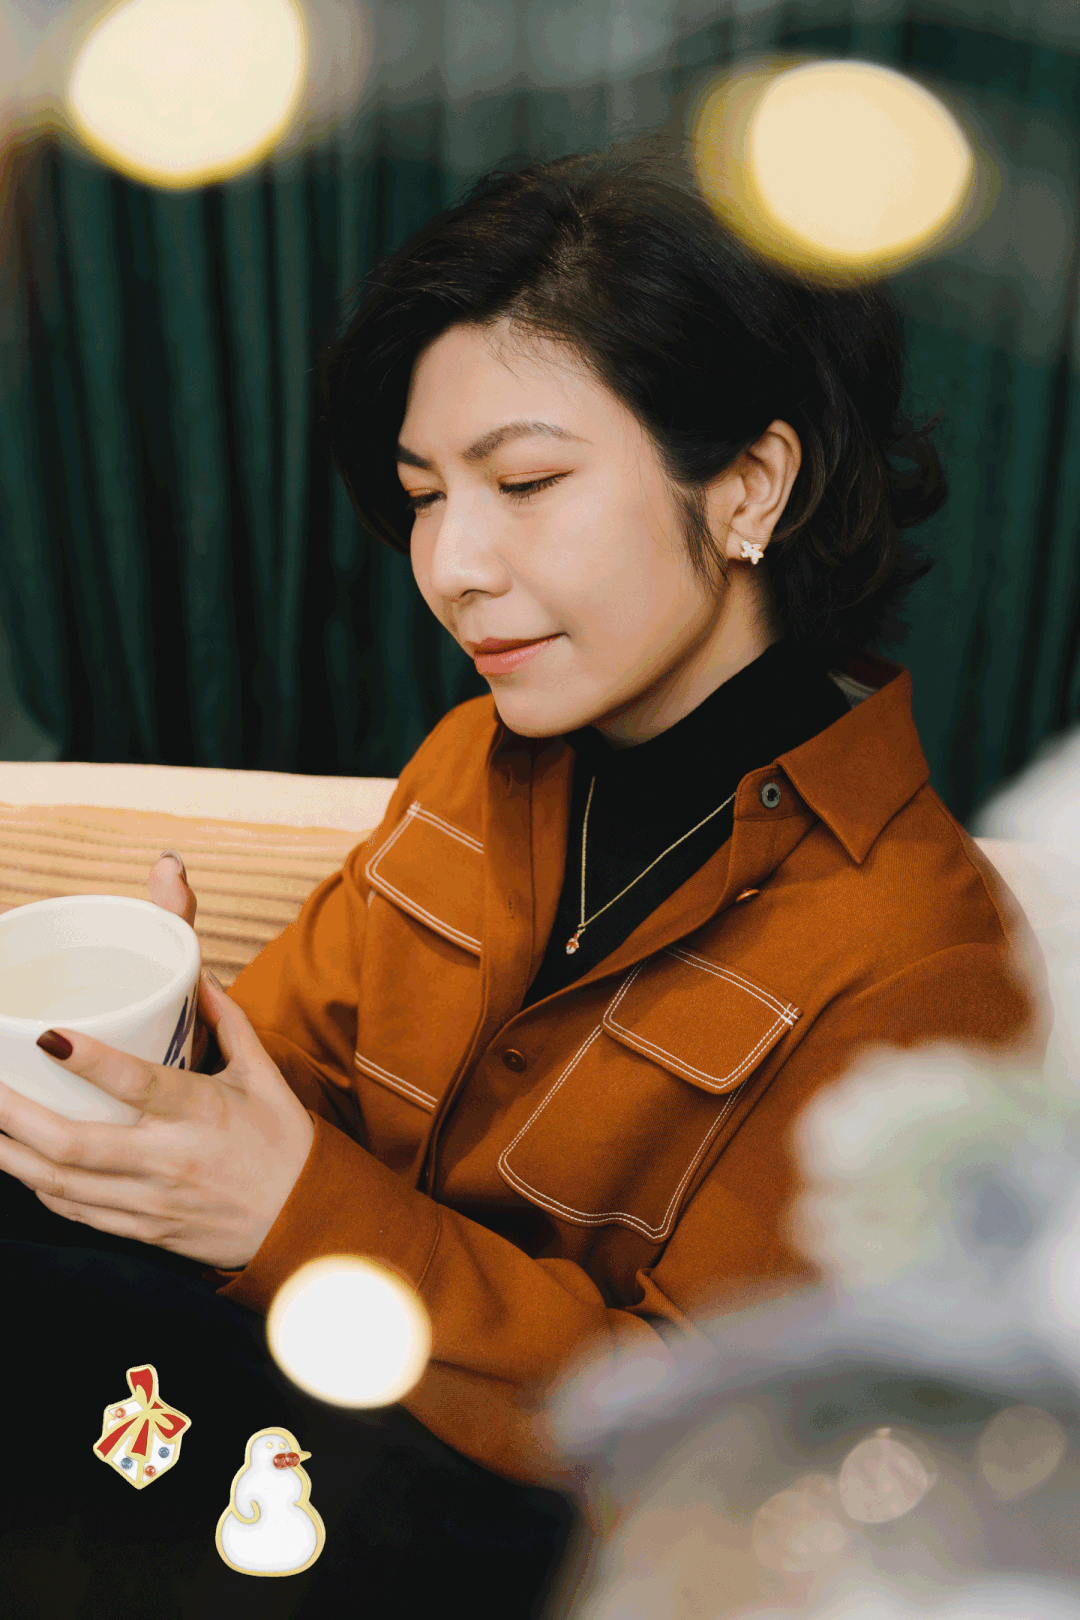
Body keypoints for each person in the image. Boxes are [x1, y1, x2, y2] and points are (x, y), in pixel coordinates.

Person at [0, 137, 1043, 1613]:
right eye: (426, 494)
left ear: (749, 485)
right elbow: (288, 1078)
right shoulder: (468, 764)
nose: (452, 565)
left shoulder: (922, 959)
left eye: (527, 480)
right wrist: (166, 1034)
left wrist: (288, 1211)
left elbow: (717, 1454)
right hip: (270, 1412)